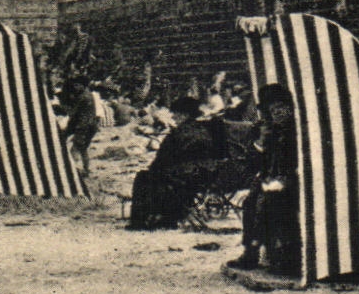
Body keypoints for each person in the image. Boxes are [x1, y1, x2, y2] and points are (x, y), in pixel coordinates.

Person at [228, 84, 300, 273]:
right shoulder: (269, 131)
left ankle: (283, 257)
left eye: (281, 108)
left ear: (290, 108)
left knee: (268, 202)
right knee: (251, 201)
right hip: (273, 180)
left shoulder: (297, 130)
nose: (277, 113)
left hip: (295, 181)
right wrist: (260, 144)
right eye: (272, 110)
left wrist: (283, 179)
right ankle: (251, 252)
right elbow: (254, 165)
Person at [128, 95, 223, 230]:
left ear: (184, 115)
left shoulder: (178, 133)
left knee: (143, 177)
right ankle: (170, 215)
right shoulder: (206, 130)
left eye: (175, 113)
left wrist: (153, 169)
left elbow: (162, 158)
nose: (173, 116)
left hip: (183, 177)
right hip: (206, 175)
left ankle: (141, 221)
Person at [60, 80, 101, 178]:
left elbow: (74, 113)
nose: (76, 87)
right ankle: (86, 170)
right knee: (83, 149)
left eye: (77, 84)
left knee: (75, 148)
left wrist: (64, 108)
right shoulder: (88, 95)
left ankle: (70, 172)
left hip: (84, 126)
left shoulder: (83, 97)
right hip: (90, 126)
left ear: (83, 85)